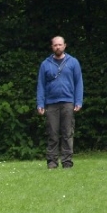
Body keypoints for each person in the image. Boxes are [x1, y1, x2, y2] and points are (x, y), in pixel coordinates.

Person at [36, 36, 84, 169]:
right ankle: (52, 162)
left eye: (60, 45)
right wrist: (40, 104)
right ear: (52, 47)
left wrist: (78, 101)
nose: (58, 47)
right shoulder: (45, 64)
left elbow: (78, 82)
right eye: (55, 45)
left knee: (67, 133)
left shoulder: (73, 62)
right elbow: (41, 85)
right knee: (52, 133)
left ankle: (67, 162)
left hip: (68, 101)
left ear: (65, 46)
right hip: (51, 103)